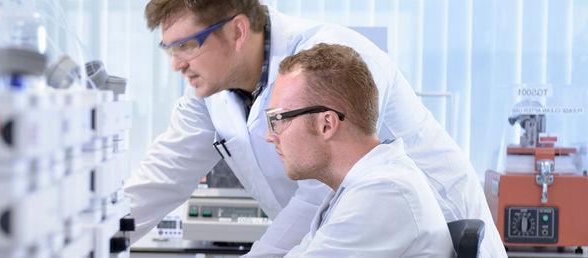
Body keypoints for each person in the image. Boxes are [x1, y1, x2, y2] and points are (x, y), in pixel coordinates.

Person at [125, 0, 506, 256]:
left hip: (421, 232)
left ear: (238, 32)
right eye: (170, 49)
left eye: (188, 45)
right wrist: (95, 241)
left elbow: (313, 197)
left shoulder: (327, 62)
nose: (176, 64)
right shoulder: (212, 88)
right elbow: (161, 179)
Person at [267, 43, 453, 257]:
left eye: (278, 119)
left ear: (326, 124)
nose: (270, 136)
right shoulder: (359, 188)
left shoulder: (383, 191)